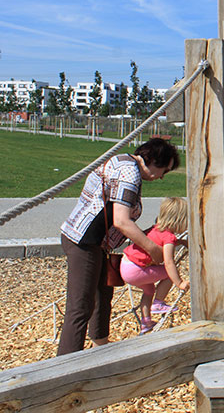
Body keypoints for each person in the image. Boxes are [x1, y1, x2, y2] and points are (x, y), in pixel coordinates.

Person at [57, 138, 180, 355]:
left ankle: (100, 350)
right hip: (83, 242)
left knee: (103, 297)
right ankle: (65, 364)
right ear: (153, 160)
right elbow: (122, 221)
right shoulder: (129, 172)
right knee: (81, 306)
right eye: (164, 170)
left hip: (96, 244)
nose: (162, 176)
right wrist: (152, 249)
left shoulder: (123, 163)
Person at [121, 196, 190, 334]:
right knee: (169, 274)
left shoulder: (156, 229)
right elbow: (169, 262)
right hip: (135, 270)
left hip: (126, 266)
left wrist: (181, 242)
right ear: (179, 221)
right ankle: (158, 303)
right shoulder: (169, 237)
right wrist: (179, 283)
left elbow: (158, 241)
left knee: (149, 290)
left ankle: (146, 321)